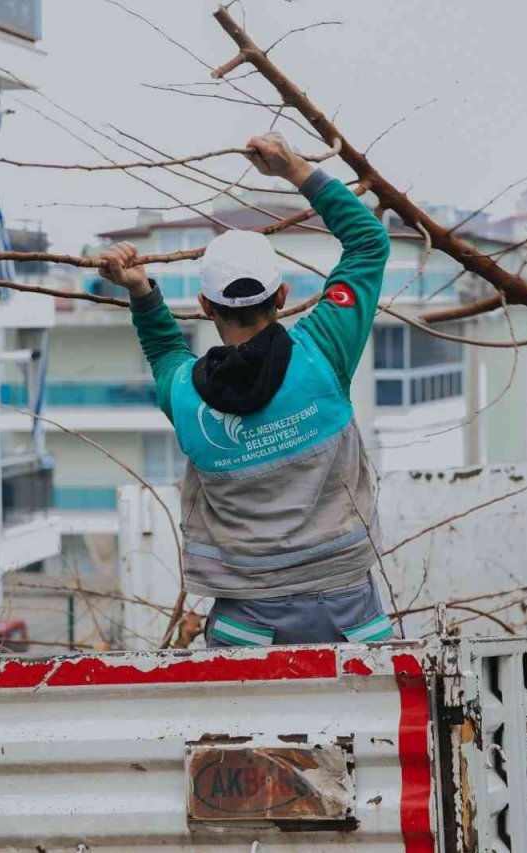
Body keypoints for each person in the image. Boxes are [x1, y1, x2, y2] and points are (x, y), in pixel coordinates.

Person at [97, 132, 393, 648]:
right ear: (282, 294)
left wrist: (141, 290)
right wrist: (293, 168)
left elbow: (165, 351)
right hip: (352, 615)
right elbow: (369, 241)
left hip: (244, 627)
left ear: (206, 307)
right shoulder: (324, 352)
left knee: (249, 732)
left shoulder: (185, 395)